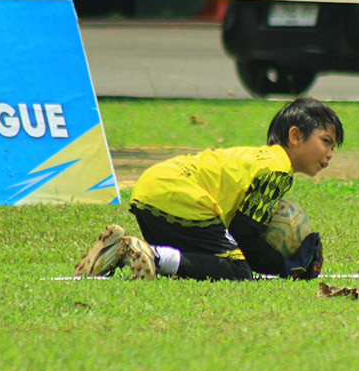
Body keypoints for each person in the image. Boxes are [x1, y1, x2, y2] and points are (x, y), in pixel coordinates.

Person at [73, 96, 344, 281]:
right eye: (326, 141)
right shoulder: (277, 169)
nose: (329, 153)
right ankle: (154, 257)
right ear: (295, 136)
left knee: (201, 258)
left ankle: (118, 250)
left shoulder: (262, 157)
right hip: (180, 196)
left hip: (150, 189)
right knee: (238, 270)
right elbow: (245, 235)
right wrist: (285, 267)